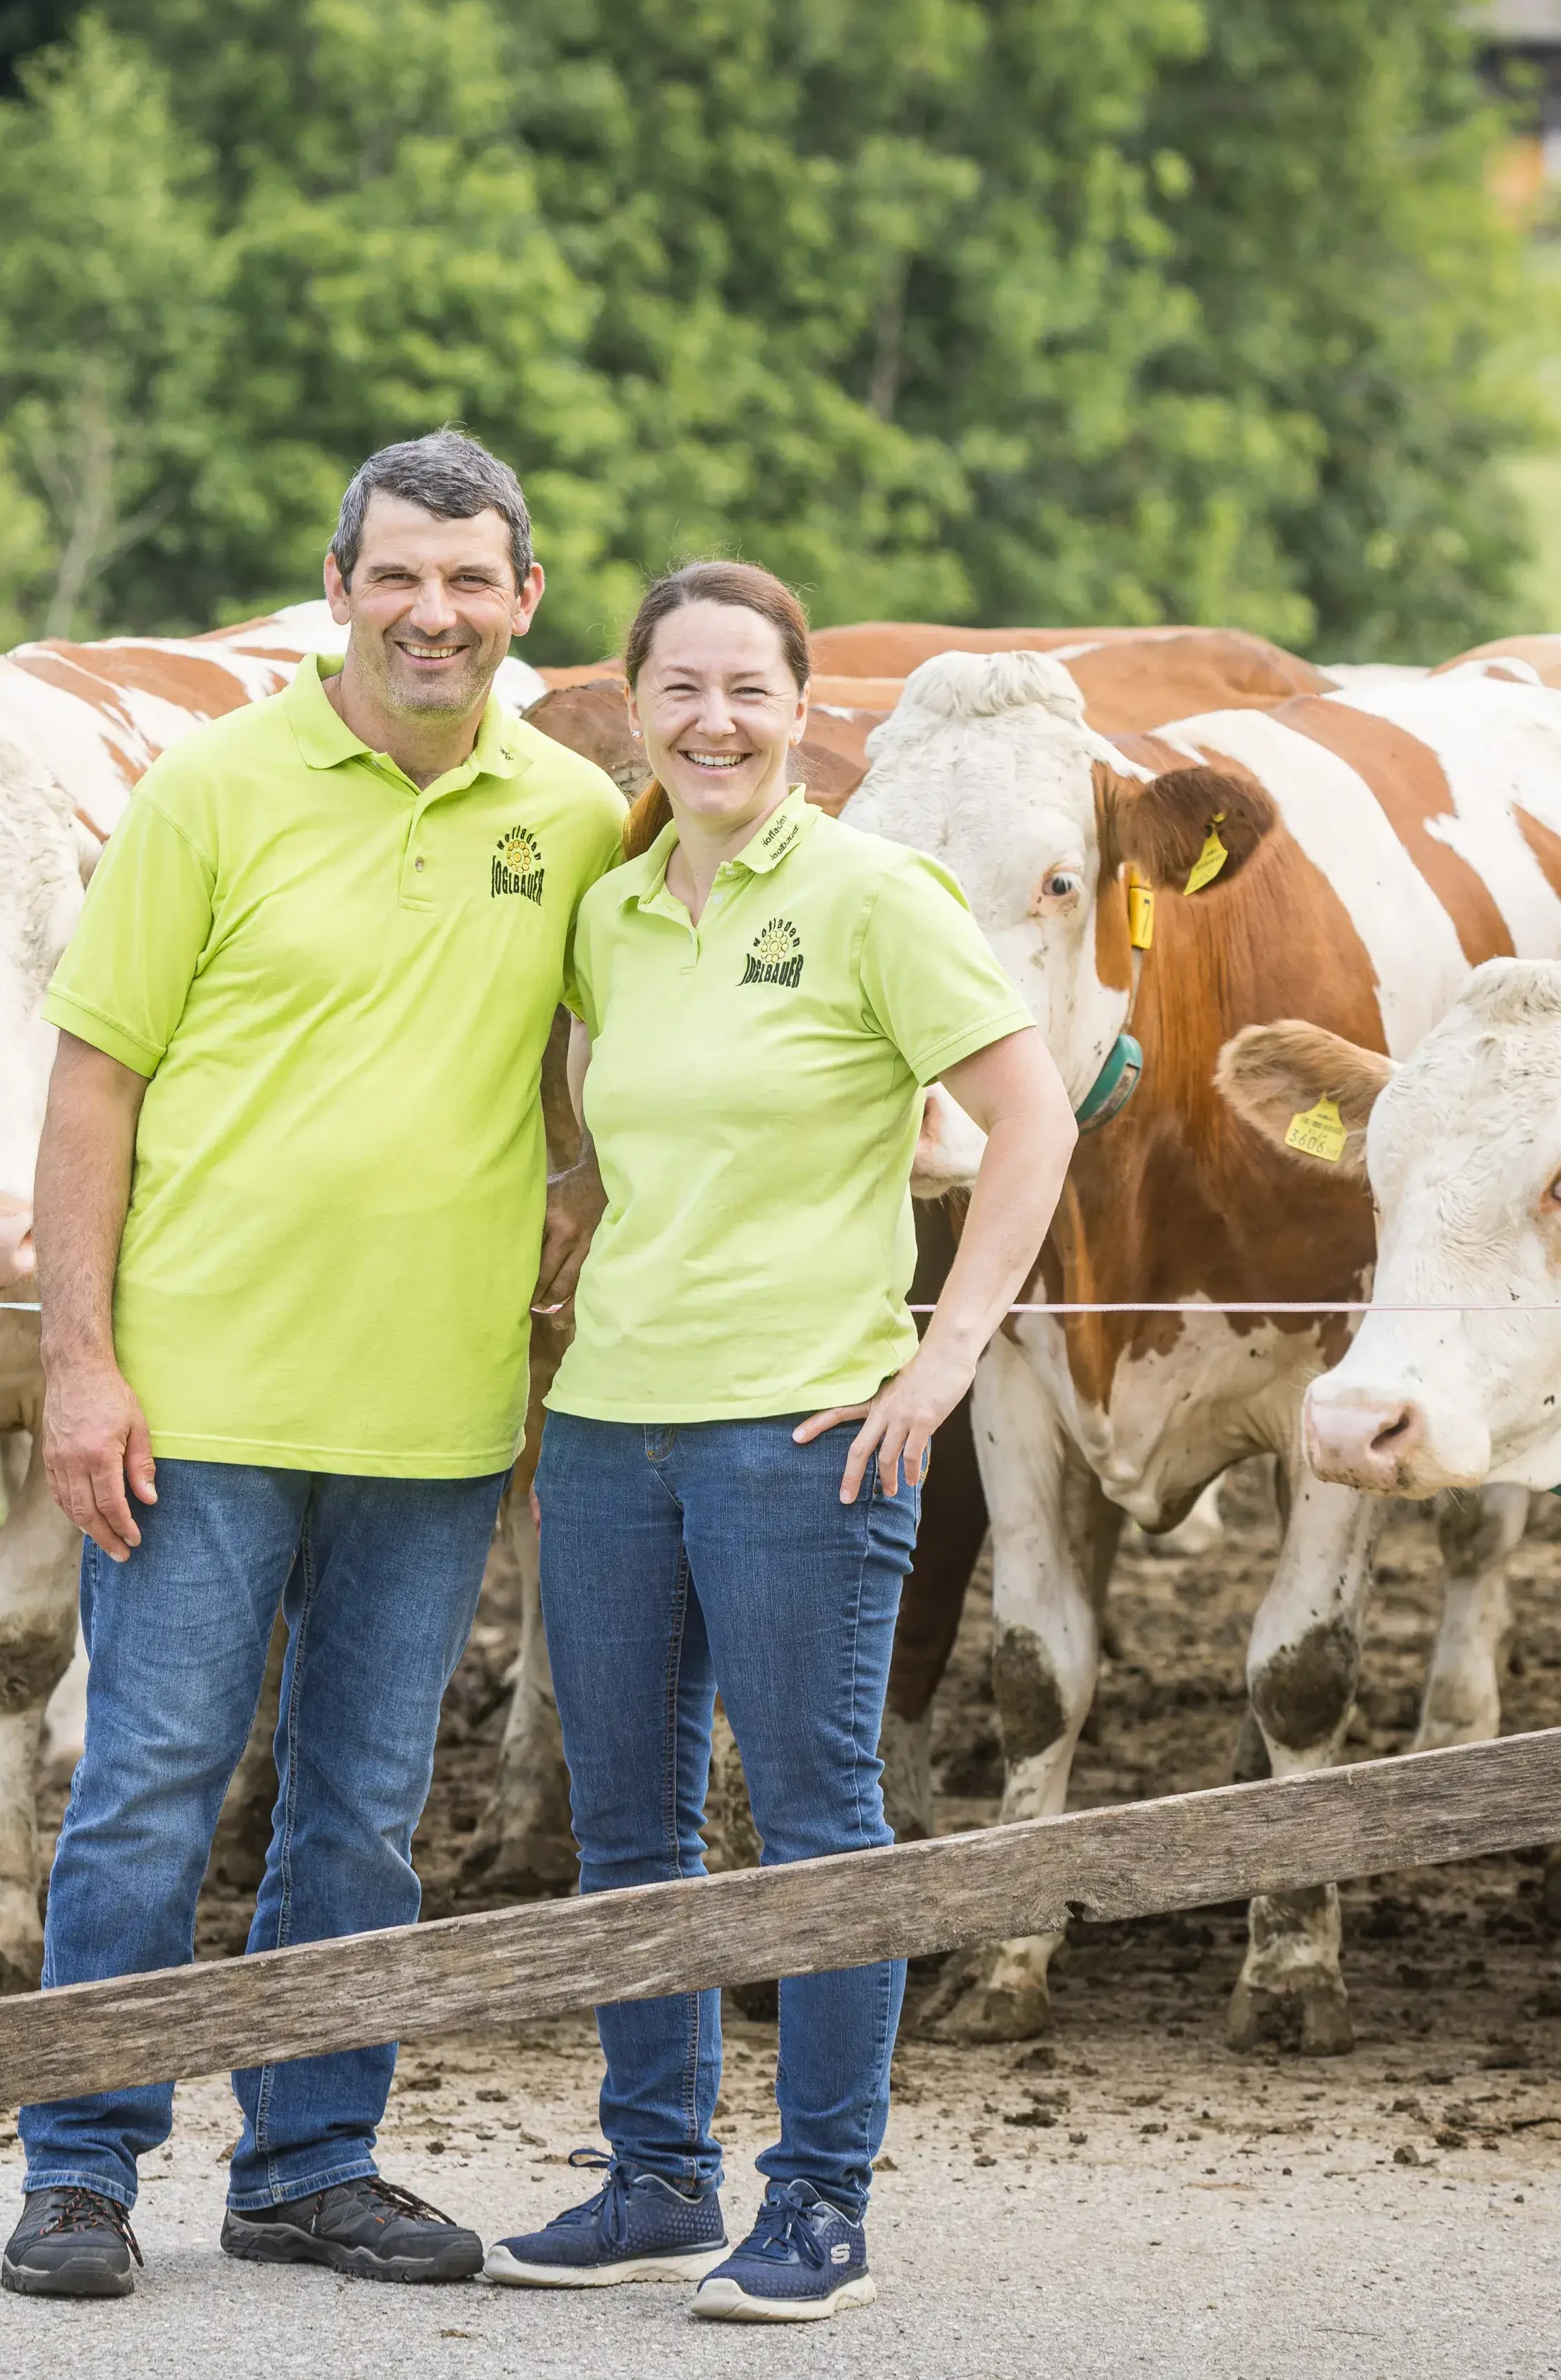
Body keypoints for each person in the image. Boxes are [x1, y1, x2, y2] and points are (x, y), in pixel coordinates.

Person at [3, 432, 627, 2300]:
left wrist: (590, 1187)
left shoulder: (576, 817)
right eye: (398, 576)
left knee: (361, 1805)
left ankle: (307, 2159)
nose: (431, 613)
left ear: (524, 602)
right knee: (148, 1783)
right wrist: (78, 1366)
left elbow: (637, 1058)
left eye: (470, 580)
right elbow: (91, 1082)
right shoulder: (210, 792)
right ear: (340, 585)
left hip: (433, 1415)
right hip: (194, 1406)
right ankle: (79, 2171)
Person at [480, 562, 1072, 2322]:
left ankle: (820, 2201)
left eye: (746, 688)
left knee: (819, 1817)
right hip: (605, 1427)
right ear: (638, 709)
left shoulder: (876, 894)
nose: (710, 721)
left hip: (797, 1429)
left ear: (804, 709)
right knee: (628, 1824)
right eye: (677, 689)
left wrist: (942, 1354)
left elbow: (1026, 1120)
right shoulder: (606, 914)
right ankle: (656, 2174)